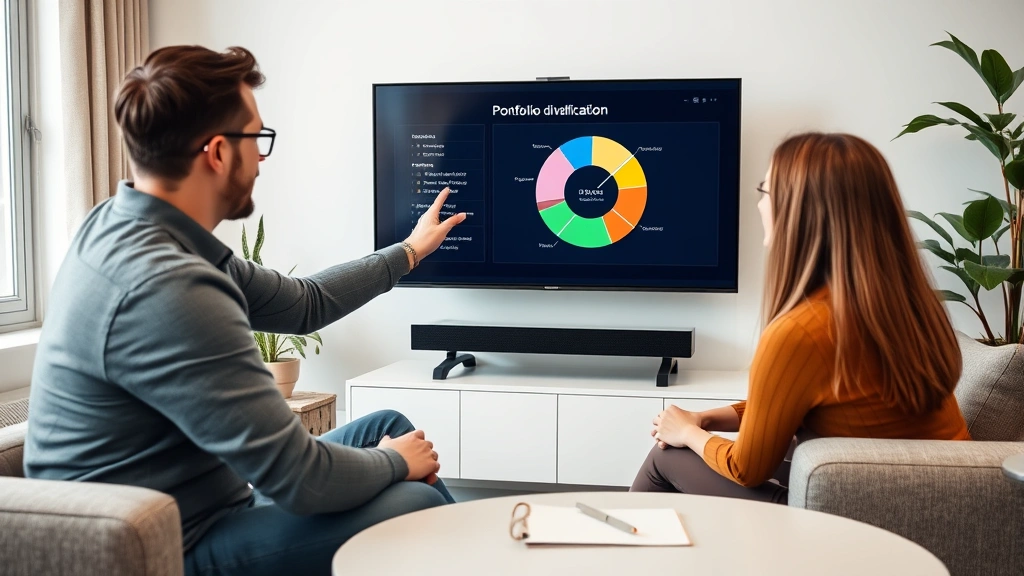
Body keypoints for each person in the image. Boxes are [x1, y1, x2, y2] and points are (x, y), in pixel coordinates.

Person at [23, 45, 466, 576]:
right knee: (413, 502)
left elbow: (305, 303)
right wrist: (394, 462)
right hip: (168, 544)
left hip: (210, 501)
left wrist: (409, 251)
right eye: (257, 138)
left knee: (388, 426)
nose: (261, 157)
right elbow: (302, 480)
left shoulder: (130, 226)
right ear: (216, 152)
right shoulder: (169, 287)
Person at [630, 132, 970, 502]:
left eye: (765, 190)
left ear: (799, 211)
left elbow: (747, 468)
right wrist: (706, 419)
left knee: (666, 457)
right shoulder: (907, 304)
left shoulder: (802, 331)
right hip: (937, 496)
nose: (760, 203)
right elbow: (798, 404)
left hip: (859, 509)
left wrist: (688, 433)